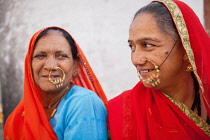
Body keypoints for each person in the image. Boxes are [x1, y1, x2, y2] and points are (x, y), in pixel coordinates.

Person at [108, 0, 210, 139]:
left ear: (186, 49)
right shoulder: (121, 111)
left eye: (148, 45)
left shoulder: (206, 101)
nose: (136, 60)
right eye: (132, 47)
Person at [4, 26, 108, 140]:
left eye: (61, 56)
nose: (50, 66)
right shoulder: (24, 109)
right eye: (41, 56)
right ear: (29, 65)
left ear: (75, 67)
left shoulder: (84, 103)